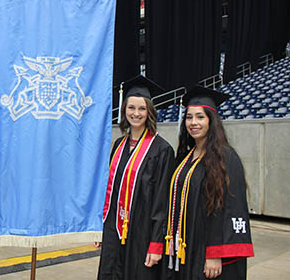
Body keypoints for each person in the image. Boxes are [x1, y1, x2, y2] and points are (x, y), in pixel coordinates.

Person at [163, 86, 254, 280]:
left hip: (207, 250)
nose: (193, 122)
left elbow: (230, 207)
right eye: (189, 117)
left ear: (211, 121)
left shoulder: (226, 158)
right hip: (186, 246)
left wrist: (215, 253)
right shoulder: (186, 157)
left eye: (200, 117)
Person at [97, 75, 175, 280]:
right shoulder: (119, 146)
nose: (136, 113)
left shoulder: (162, 150)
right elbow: (111, 192)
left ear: (149, 111)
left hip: (142, 235)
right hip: (115, 230)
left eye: (141, 108)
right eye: (131, 107)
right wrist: (101, 227)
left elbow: (162, 202)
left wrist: (157, 244)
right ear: (124, 110)